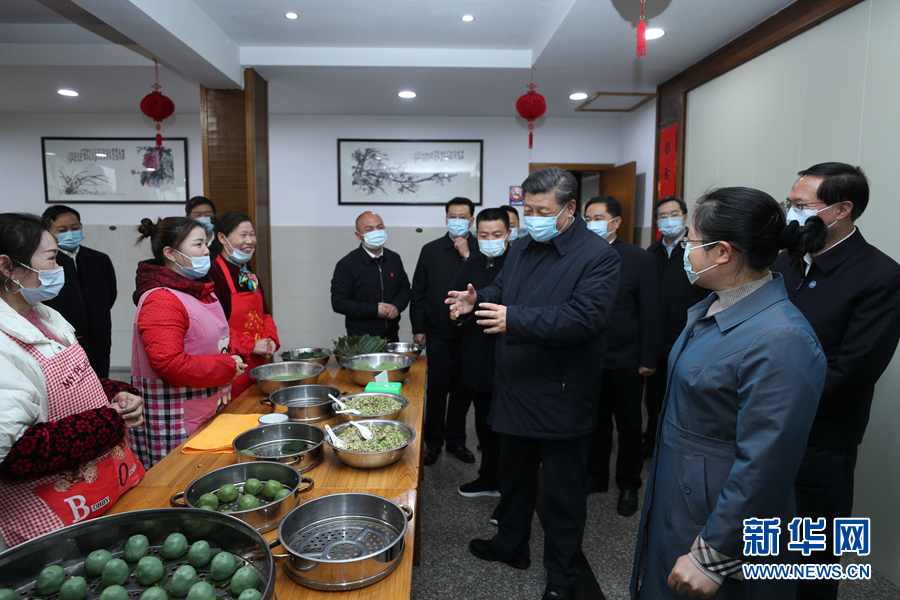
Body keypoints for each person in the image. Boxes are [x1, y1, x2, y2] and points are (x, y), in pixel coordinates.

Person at [630, 187, 828, 600]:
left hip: (720, 517)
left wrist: (714, 555)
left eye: (691, 241)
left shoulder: (782, 338)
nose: (685, 250)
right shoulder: (712, 306)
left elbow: (767, 462)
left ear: (722, 252)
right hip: (684, 493)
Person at [448, 168, 620, 600]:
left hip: (561, 394)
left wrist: (515, 319)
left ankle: (562, 577)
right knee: (514, 477)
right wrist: (478, 300)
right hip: (515, 385)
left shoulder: (598, 256)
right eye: (528, 209)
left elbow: (585, 318)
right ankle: (511, 545)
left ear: (570, 208)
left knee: (562, 495)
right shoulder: (523, 246)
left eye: (544, 211)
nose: (534, 218)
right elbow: (503, 289)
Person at [770, 163, 900, 600]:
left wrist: (773, 404)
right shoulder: (784, 260)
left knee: (812, 554)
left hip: (821, 437)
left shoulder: (880, 275)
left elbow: (853, 371)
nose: (791, 212)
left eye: (801, 205)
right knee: (765, 546)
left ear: (842, 209)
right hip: (761, 427)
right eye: (789, 202)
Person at [0, 213, 144, 549]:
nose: (59, 267)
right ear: (7, 267)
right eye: (51, 258)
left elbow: (70, 382)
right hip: (53, 521)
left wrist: (119, 393)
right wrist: (108, 421)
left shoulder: (44, 315)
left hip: (105, 490)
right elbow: (17, 453)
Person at [129, 217, 246, 469]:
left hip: (206, 405)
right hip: (178, 419)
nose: (206, 251)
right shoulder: (161, 299)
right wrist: (226, 365)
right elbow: (169, 364)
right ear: (170, 253)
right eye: (198, 244)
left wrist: (234, 353)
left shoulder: (199, 290)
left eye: (206, 244)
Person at [583, 196, 659, 516]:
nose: (591, 224)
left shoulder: (639, 258)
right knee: (595, 423)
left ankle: (629, 484)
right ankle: (596, 476)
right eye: (587, 219)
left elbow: (650, 311)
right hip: (589, 357)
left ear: (616, 222)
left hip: (626, 357)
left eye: (598, 218)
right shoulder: (580, 253)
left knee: (628, 425)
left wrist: (648, 357)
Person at [411, 197, 479, 465]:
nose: (457, 221)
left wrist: (468, 255)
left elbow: (487, 283)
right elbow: (419, 291)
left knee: (464, 391)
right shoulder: (430, 250)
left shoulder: (480, 249)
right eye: (453, 216)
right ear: (446, 219)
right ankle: (433, 443)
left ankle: (457, 441)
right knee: (437, 391)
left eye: (463, 216)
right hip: (438, 332)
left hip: (471, 333)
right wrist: (419, 328)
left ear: (472, 220)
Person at [453, 208, 511, 499]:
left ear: (509, 234)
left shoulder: (519, 262)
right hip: (477, 355)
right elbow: (457, 302)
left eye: (496, 234)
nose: (490, 240)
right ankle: (488, 477)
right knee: (483, 423)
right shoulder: (471, 263)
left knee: (507, 429)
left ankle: (509, 486)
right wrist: (457, 314)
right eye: (484, 235)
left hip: (509, 357)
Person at [643, 196, 707, 457]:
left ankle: (677, 446)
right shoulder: (650, 253)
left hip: (687, 337)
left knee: (684, 397)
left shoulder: (696, 250)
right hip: (656, 340)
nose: (668, 219)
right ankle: (651, 440)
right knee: (654, 397)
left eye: (673, 214)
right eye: (662, 216)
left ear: (684, 217)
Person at [209, 211, 280, 398]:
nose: (250, 241)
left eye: (252, 234)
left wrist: (270, 339)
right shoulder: (213, 274)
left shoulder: (247, 273)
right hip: (233, 365)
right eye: (243, 235)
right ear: (222, 238)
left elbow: (264, 313)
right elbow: (215, 327)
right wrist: (250, 345)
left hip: (259, 363)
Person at [41, 205, 118, 378]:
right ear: (49, 232)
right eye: (62, 230)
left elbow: (110, 296)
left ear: (81, 226)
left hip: (99, 344)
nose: (70, 233)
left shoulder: (100, 260)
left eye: (75, 228)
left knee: (101, 386)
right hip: (62, 347)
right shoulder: (46, 264)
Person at [331, 211, 411, 343]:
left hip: (391, 338)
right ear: (359, 235)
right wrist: (375, 310)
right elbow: (339, 302)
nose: (376, 232)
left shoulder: (394, 258)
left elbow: (404, 289)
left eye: (380, 227)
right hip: (361, 341)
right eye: (369, 229)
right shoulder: (347, 264)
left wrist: (396, 306)